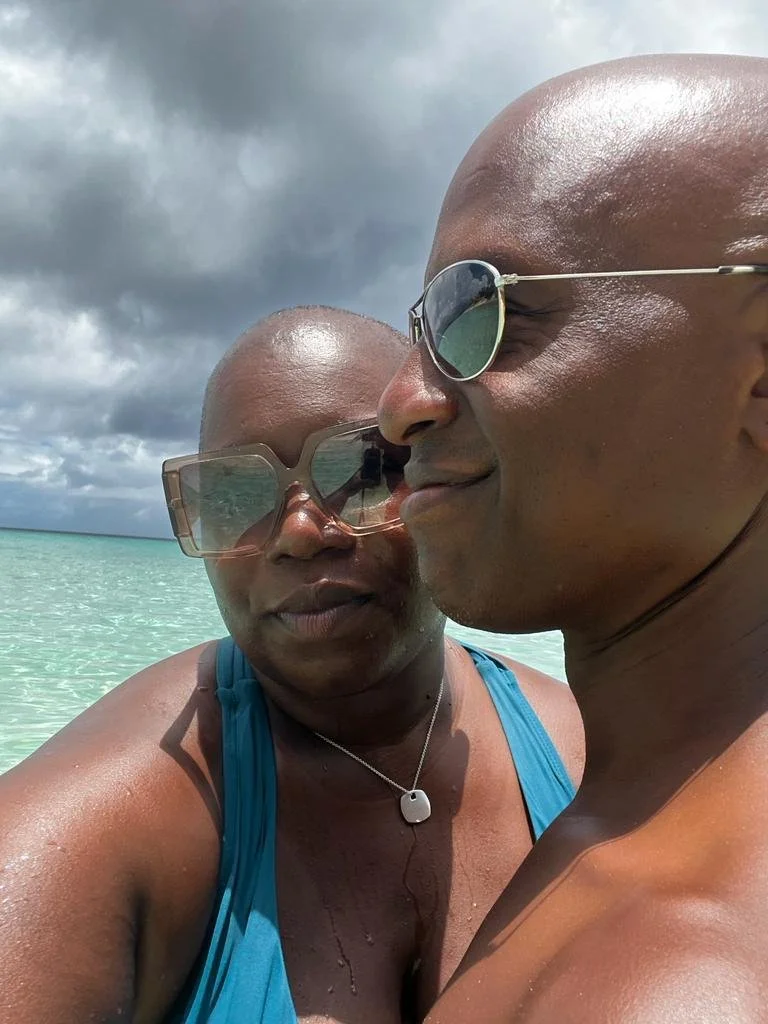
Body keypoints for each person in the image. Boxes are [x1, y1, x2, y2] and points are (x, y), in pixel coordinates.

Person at [0, 307, 583, 1024]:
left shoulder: (587, 754)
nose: (301, 533)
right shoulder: (104, 815)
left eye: (364, 469)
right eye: (235, 494)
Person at [378, 53, 768, 1023]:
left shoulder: (690, 969)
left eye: (483, 307)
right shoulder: (641, 815)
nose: (396, 405)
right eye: (421, 325)